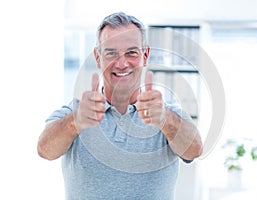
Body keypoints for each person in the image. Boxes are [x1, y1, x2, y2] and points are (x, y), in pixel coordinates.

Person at [37, 12, 202, 200]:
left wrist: (165, 120)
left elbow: (194, 150)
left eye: (131, 53)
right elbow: (45, 150)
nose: (122, 63)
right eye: (111, 53)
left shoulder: (168, 113)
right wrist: (75, 122)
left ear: (145, 55)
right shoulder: (74, 113)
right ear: (98, 57)